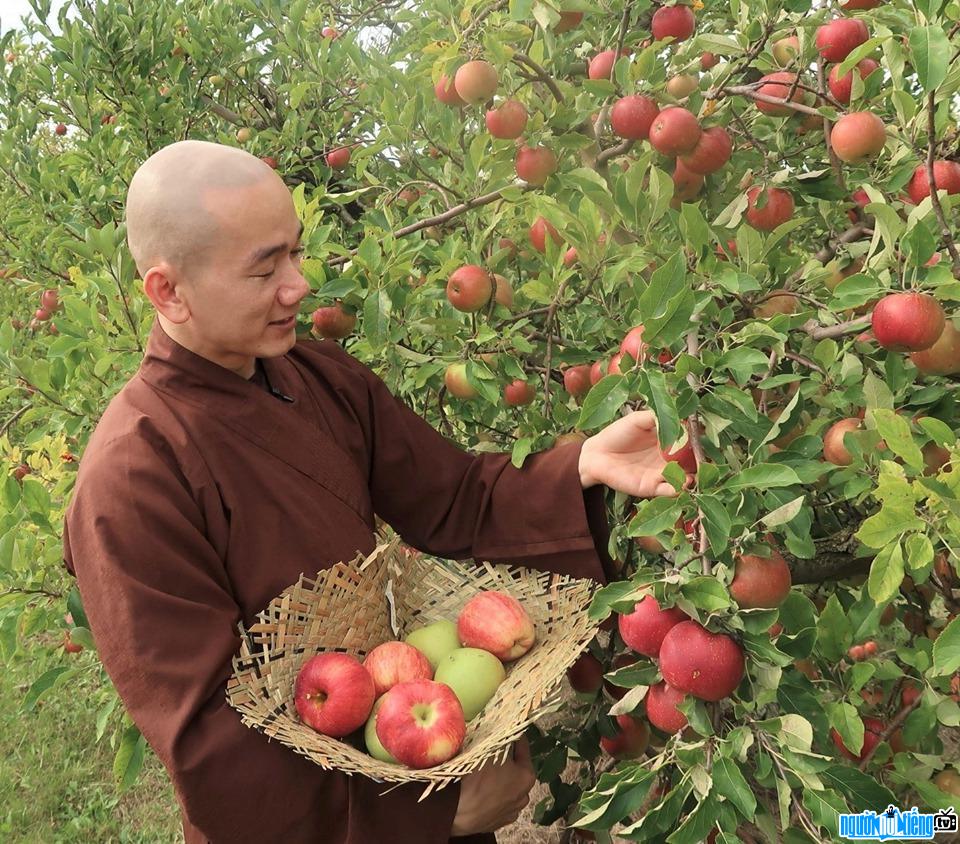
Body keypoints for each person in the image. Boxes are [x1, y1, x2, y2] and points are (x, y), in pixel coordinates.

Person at [61, 140, 677, 844]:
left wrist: (582, 467)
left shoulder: (315, 374)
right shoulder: (131, 479)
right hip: (324, 821)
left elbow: (453, 496)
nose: (298, 286)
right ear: (168, 291)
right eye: (265, 269)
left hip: (409, 742)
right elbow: (206, 739)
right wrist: (423, 814)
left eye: (295, 253)